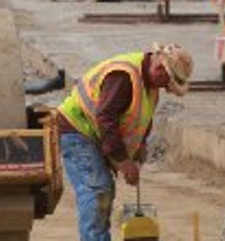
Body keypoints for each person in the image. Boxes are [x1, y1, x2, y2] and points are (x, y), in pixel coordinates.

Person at [56, 43, 194, 241]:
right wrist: (123, 160)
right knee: (97, 190)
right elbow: (106, 118)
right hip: (77, 129)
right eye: (167, 82)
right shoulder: (123, 76)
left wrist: (140, 147)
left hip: (95, 131)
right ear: (159, 68)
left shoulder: (149, 84)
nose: (166, 88)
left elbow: (140, 117)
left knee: (104, 191)